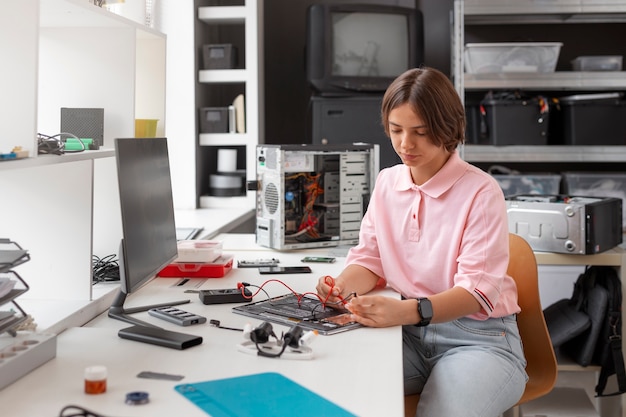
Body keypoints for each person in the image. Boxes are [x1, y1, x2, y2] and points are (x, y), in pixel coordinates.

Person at [316, 67, 528, 417]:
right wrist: (340, 287)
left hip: (478, 340)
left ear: (448, 129)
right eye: (396, 130)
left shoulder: (480, 191)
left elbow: (478, 292)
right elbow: (370, 260)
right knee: (331, 382)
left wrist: (407, 311)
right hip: (405, 336)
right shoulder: (387, 183)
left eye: (420, 132)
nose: (405, 144)